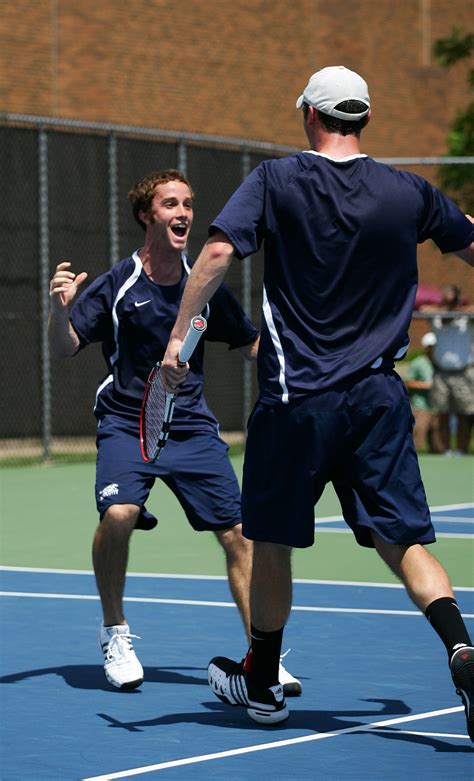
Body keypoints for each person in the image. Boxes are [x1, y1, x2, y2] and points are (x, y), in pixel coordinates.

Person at [162, 66, 474, 735]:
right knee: (406, 542)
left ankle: (263, 684)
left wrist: (179, 344)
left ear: (309, 113)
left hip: (294, 399)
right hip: (380, 402)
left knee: (270, 539)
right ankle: (460, 646)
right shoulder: (409, 191)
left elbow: (216, 254)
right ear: (364, 118)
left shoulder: (275, 179)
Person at [48, 168, 301, 695]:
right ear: (148, 215)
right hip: (126, 422)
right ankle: (114, 633)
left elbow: (250, 341)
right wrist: (60, 309)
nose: (183, 213)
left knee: (239, 535)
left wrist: (300, 364)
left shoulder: (202, 284)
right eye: (170, 204)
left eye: (188, 203)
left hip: (190, 428)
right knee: (119, 515)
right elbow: (67, 346)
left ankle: (261, 657)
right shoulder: (119, 285)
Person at [420, 286, 474, 455]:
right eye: (446, 300)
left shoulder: (466, 319)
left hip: (463, 373)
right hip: (441, 373)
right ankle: (445, 451)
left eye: (452, 300)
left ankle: (461, 449)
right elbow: (422, 309)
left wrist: (456, 311)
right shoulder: (436, 317)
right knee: (441, 413)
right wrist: (445, 311)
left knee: (464, 414)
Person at [404, 332, 437, 451]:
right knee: (416, 443)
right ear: (425, 346)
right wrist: (425, 386)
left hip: (437, 407)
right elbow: (408, 381)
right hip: (421, 407)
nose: (433, 349)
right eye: (431, 346)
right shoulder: (418, 362)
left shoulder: (440, 362)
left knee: (438, 445)